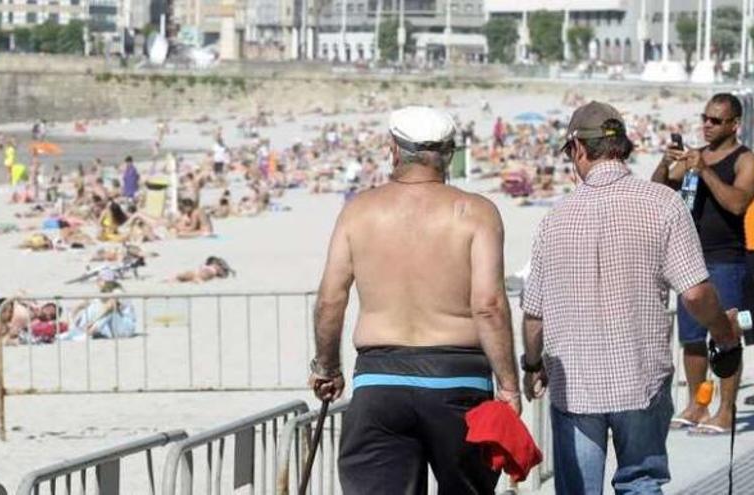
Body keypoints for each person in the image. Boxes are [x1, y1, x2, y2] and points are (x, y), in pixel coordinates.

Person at [523, 101, 742, 494]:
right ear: (622, 146)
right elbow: (694, 292)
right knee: (641, 483)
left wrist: (533, 363)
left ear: (577, 149)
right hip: (640, 376)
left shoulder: (554, 219)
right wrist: (724, 334)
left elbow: (534, 317)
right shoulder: (663, 203)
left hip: (576, 384)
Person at [309, 106, 520, 494]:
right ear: (450, 155)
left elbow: (329, 300)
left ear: (393, 150)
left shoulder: (358, 212)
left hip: (380, 380)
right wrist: (509, 386)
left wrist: (327, 368)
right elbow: (488, 304)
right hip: (458, 379)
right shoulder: (476, 212)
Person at [651, 93, 754, 435]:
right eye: (705, 118)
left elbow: (737, 204)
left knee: (725, 335)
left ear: (734, 124)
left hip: (727, 257)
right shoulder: (697, 156)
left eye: (715, 120)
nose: (707, 125)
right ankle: (698, 403)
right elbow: (657, 191)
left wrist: (705, 170)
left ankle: (725, 410)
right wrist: (666, 164)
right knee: (692, 339)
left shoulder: (744, 160)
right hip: (689, 257)